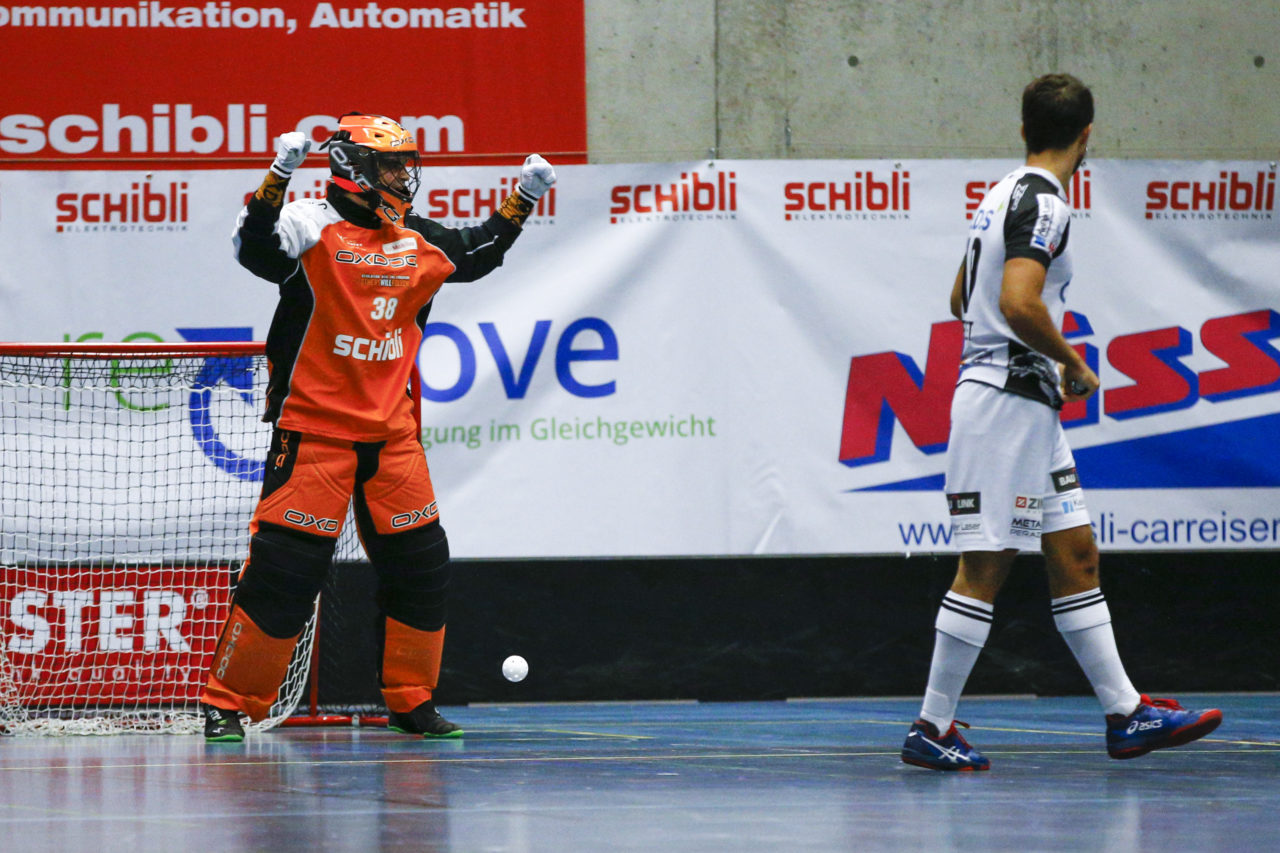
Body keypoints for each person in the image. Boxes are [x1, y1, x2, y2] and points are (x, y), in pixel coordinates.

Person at [199, 113, 556, 742]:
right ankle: (228, 704)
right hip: (314, 434)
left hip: (394, 439)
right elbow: (255, 249)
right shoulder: (309, 223)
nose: (402, 176)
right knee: (286, 572)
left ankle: (411, 701)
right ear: (353, 169)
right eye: (390, 165)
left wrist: (523, 197)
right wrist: (278, 176)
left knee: (421, 568)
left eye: (403, 164)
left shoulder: (416, 237)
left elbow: (479, 252)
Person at [900, 75, 1221, 771]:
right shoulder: (1046, 202)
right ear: (1087, 135)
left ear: (1023, 130)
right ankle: (932, 725)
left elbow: (960, 297)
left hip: (1025, 407)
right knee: (985, 564)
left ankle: (1126, 714)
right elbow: (1018, 302)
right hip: (1005, 403)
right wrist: (1073, 360)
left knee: (1076, 554)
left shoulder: (999, 195)